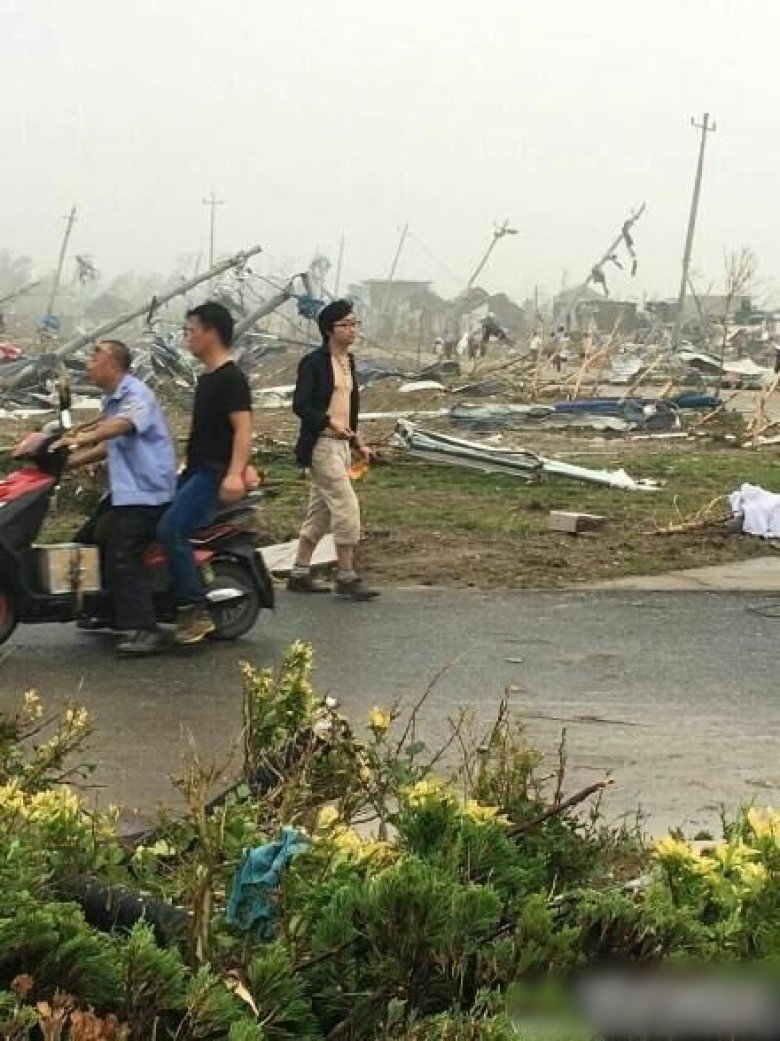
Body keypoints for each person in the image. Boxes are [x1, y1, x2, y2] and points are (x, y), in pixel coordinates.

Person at [56, 339, 177, 656]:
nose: (89, 363)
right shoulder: (112, 400)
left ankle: (144, 629)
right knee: (87, 542)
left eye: (94, 357)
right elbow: (109, 444)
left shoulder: (137, 395)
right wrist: (71, 461)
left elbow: (121, 427)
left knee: (123, 554)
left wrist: (82, 438)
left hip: (148, 494)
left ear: (112, 363)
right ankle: (106, 610)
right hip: (126, 492)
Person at [157, 302, 253, 645]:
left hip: (214, 473)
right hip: (197, 469)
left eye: (191, 330)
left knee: (171, 530)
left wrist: (235, 474)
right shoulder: (208, 377)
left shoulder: (231, 378)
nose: (187, 337)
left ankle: (195, 609)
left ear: (211, 332)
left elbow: (243, 429)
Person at [288, 299, 378, 601]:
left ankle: (299, 572)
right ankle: (346, 576)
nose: (353, 330)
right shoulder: (313, 362)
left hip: (341, 445)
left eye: (355, 324)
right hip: (322, 445)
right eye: (346, 324)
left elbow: (349, 408)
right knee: (346, 506)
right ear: (329, 329)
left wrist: (357, 441)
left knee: (320, 512)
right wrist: (328, 423)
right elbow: (301, 405)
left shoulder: (348, 362)